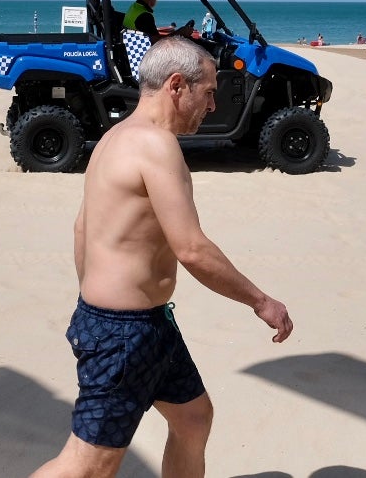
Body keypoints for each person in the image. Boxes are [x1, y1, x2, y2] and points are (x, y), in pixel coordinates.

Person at [30, 38, 293, 478]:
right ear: (176, 86)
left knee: (193, 419)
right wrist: (261, 301)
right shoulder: (155, 145)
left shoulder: (114, 138)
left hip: (147, 326)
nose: (212, 105)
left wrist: (95, 301)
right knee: (88, 466)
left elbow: (81, 229)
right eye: (208, 92)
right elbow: (192, 248)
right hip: (123, 334)